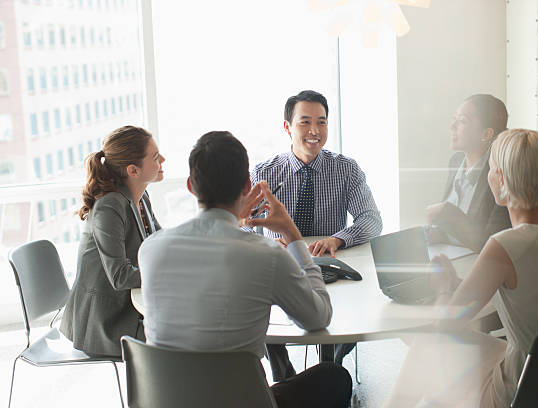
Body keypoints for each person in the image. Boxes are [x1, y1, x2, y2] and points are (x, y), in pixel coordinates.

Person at [138, 131, 352, 408]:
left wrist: (236, 221)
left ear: (191, 186)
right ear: (247, 185)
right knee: (333, 376)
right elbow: (317, 317)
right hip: (242, 400)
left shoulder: (151, 249)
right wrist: (292, 234)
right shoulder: (267, 255)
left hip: (167, 399)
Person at [387, 129, 538, 407]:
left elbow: (448, 324)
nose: (488, 176)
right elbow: (534, 293)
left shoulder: (505, 245)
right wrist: (460, 284)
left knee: (427, 343)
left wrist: (445, 289)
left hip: (524, 389)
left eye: (491, 169)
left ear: (502, 179)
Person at [250, 89, 383, 376]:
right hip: (279, 266)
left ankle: (331, 365)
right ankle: (283, 372)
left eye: (322, 122)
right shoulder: (264, 174)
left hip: (330, 264)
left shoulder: (346, 169)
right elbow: (242, 225)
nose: (315, 131)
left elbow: (372, 220)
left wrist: (339, 238)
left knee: (354, 307)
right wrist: (273, 244)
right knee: (257, 308)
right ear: (287, 127)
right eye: (305, 122)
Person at [60, 126, 164, 357]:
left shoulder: (141, 197)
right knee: (183, 337)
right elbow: (120, 276)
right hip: (106, 321)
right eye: (155, 157)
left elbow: (161, 242)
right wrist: (169, 273)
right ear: (133, 170)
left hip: (127, 308)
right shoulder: (110, 206)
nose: (163, 160)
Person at [426, 94, 511, 251]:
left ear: (486, 134)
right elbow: (450, 228)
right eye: (454, 119)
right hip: (450, 255)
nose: (452, 127)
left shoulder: (500, 175)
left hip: (480, 264)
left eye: (463, 121)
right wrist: (440, 233)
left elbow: (491, 243)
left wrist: (448, 213)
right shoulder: (456, 161)